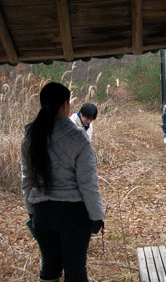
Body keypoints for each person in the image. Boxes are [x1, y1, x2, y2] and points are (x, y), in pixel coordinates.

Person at [21, 82, 105, 282]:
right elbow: (88, 184)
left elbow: (27, 180)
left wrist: (32, 211)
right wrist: (96, 215)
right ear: (65, 105)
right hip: (73, 214)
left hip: (42, 213)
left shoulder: (31, 138)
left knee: (50, 268)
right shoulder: (78, 138)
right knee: (75, 271)